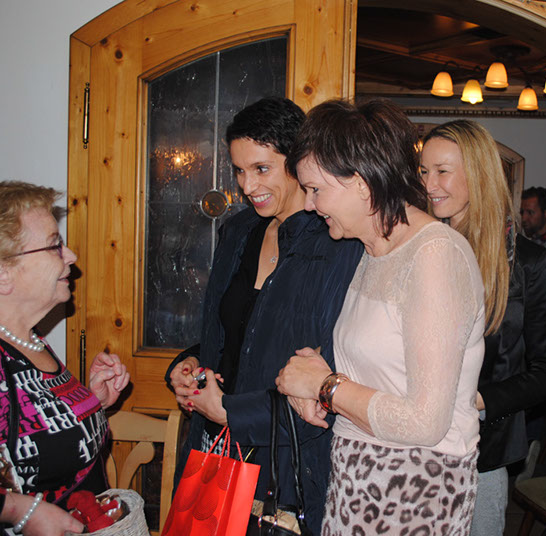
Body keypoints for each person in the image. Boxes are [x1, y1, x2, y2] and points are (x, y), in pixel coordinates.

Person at [275, 99, 485, 535]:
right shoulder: (373, 251)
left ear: (361, 183)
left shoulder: (434, 255)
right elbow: (383, 371)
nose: (310, 205)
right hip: (361, 482)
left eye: (316, 189)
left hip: (414, 490)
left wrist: (326, 386)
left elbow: (424, 422)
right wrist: (318, 379)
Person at [164, 97, 362, 533]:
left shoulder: (337, 245)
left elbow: (336, 372)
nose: (247, 185)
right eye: (239, 170)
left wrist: (232, 413)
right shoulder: (237, 232)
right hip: (215, 452)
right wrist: (188, 364)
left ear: (298, 162)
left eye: (261, 168)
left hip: (289, 464)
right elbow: (232, 333)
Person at [420, 121, 546, 535]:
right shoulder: (419, 248)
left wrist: (478, 401)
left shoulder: (527, 263)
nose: (429, 185)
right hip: (409, 444)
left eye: (442, 171)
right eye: (424, 171)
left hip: (480, 453)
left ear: (478, 174)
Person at [0, 180, 130, 535]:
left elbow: (43, 433)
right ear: (3, 274)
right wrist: (18, 511)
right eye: (54, 246)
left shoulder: (32, 342)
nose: (71, 255)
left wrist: (91, 402)